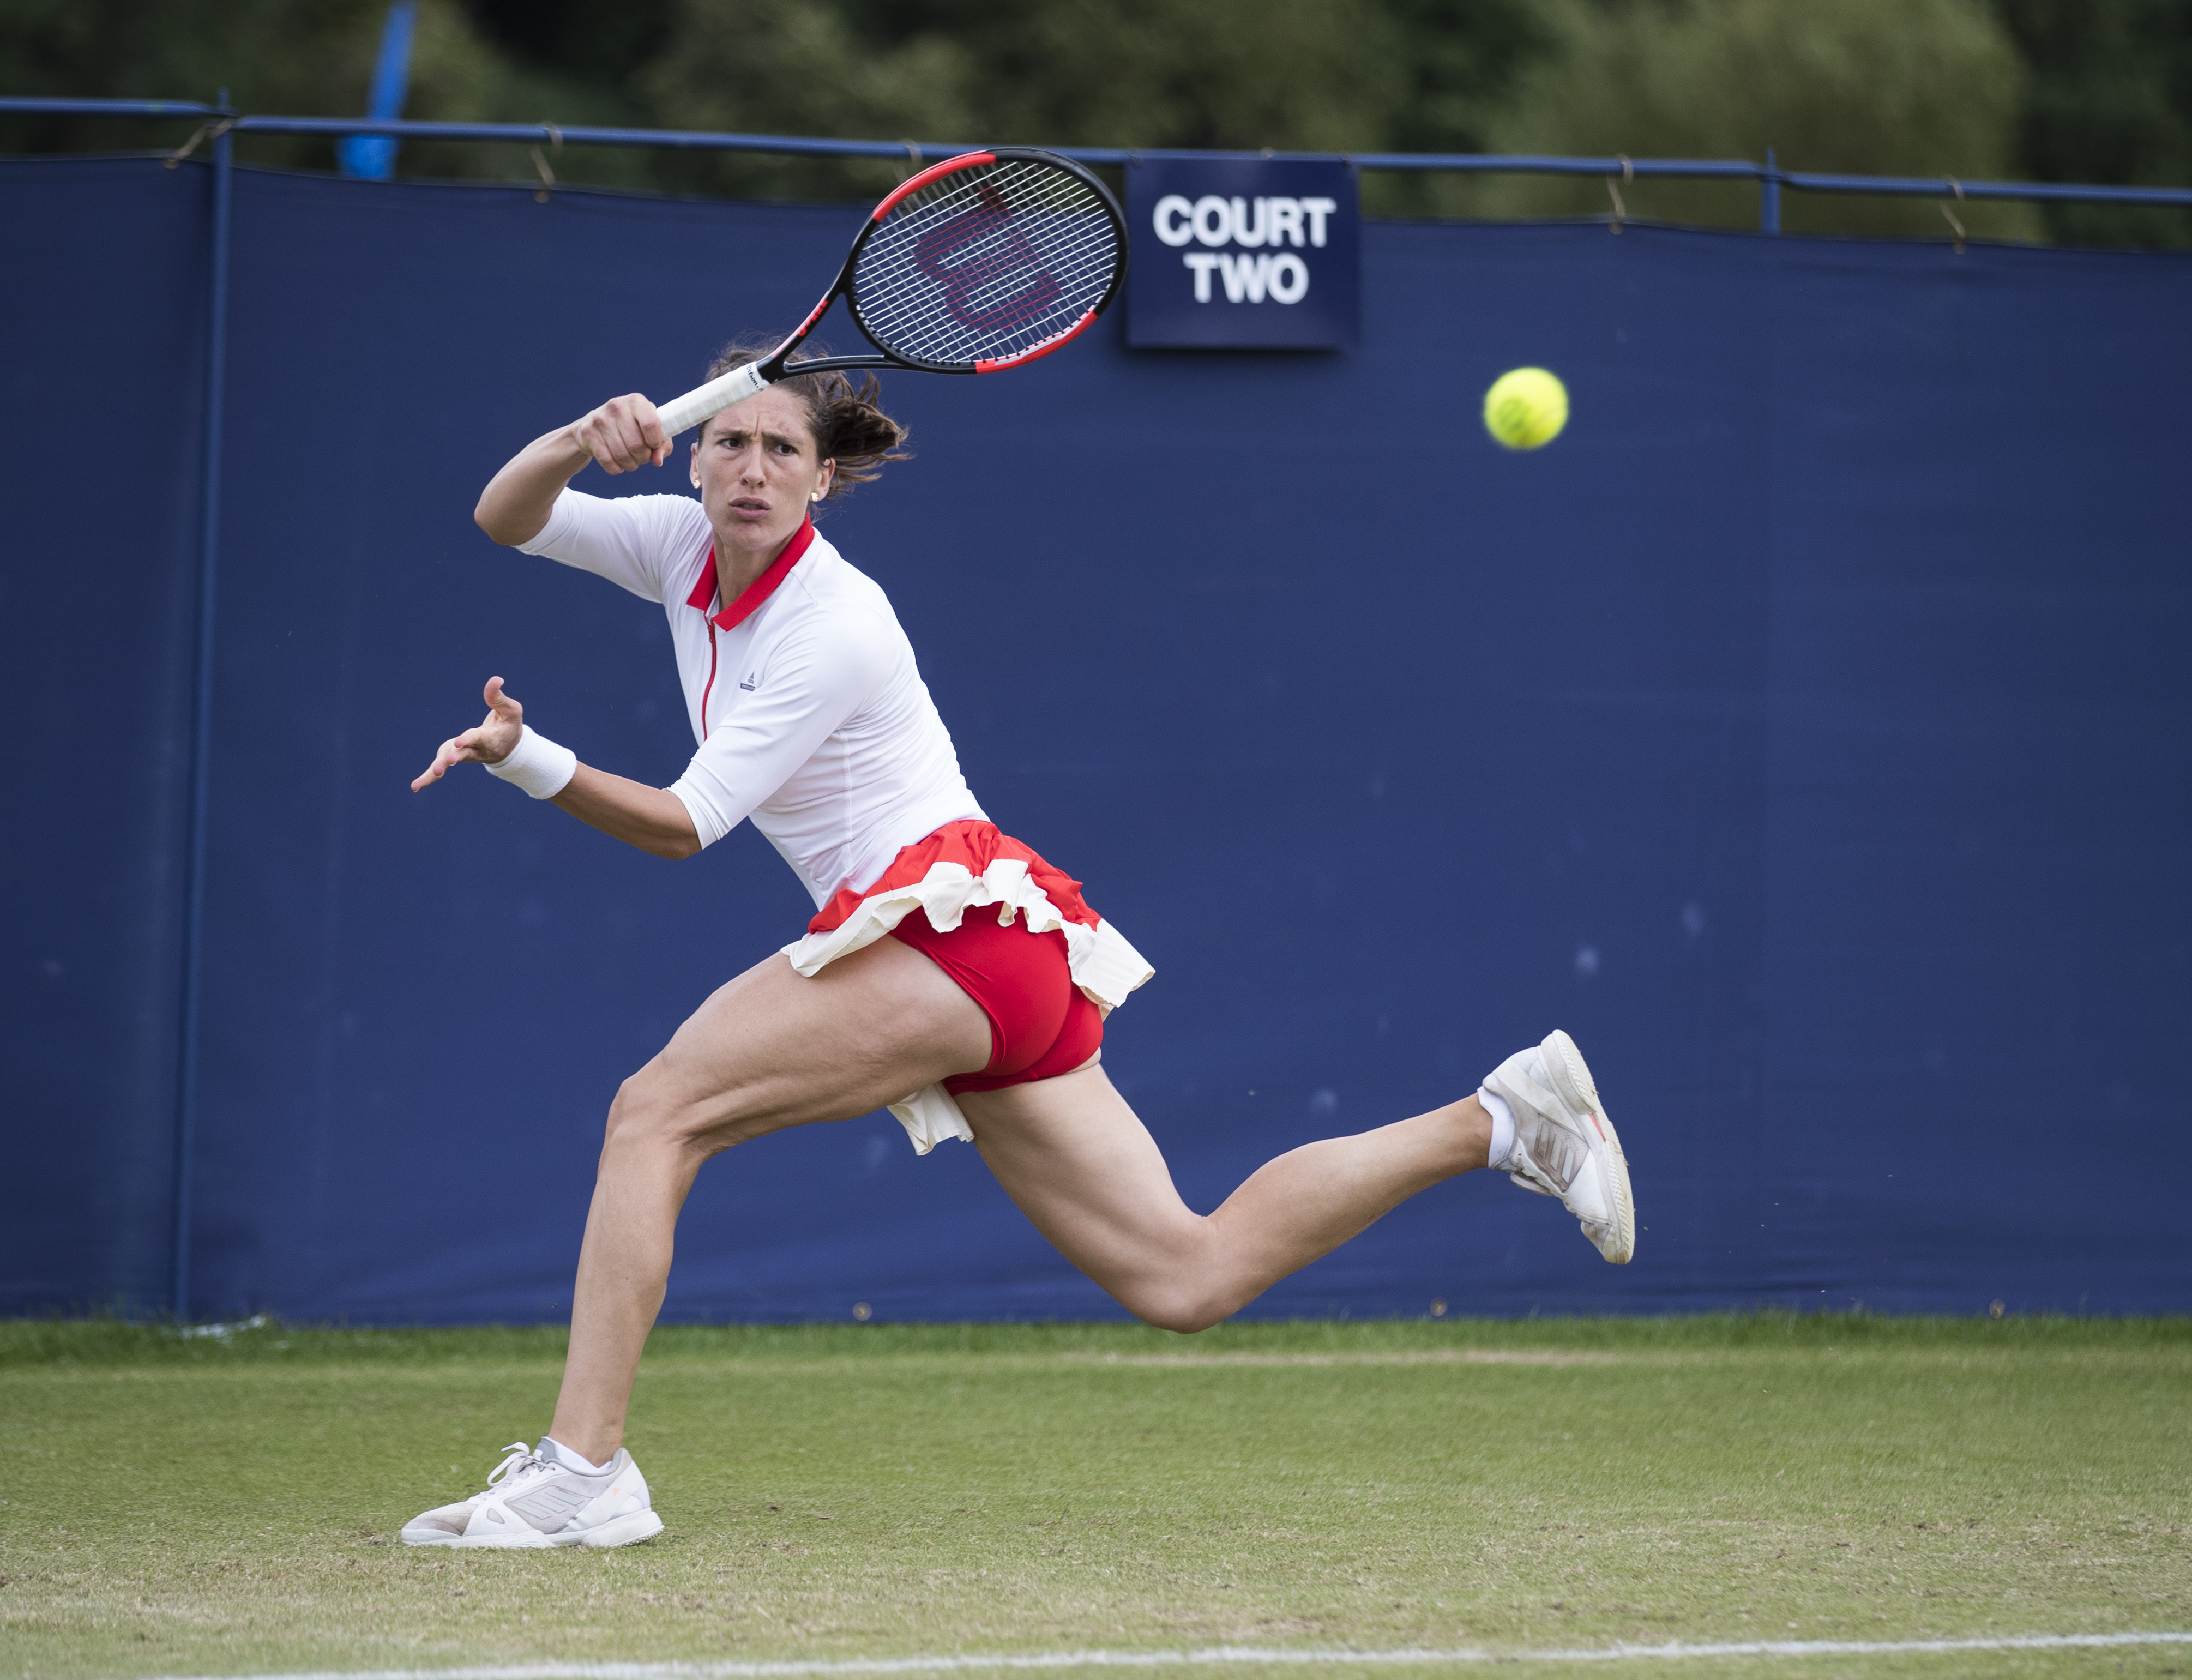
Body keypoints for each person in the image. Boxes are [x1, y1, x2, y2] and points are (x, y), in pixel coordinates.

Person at [398, 344, 1636, 1551]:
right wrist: (577, 439)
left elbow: (685, 826)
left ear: (823, 479)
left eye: (785, 449)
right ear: (694, 451)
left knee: (653, 1112)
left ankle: (583, 1474)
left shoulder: (839, 621)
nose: (755, 468)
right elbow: (510, 518)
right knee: (1185, 1274)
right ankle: (1502, 1117)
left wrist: (527, 759)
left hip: (955, 938)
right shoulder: (679, 544)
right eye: (730, 440)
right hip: (992, 963)